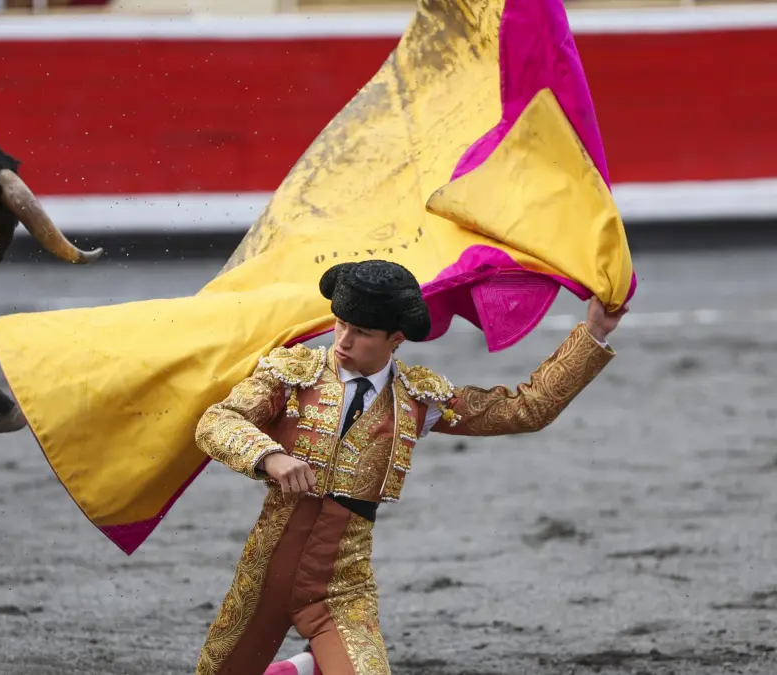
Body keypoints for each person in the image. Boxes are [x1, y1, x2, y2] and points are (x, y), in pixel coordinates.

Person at [192, 259, 627, 675]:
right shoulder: (291, 374)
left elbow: (523, 410)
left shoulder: (418, 399)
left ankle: (308, 667)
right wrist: (269, 456)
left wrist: (593, 334)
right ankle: (304, 669)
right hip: (263, 577)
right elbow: (216, 421)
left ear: (395, 338)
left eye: (361, 332)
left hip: (341, 588)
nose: (343, 340)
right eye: (341, 324)